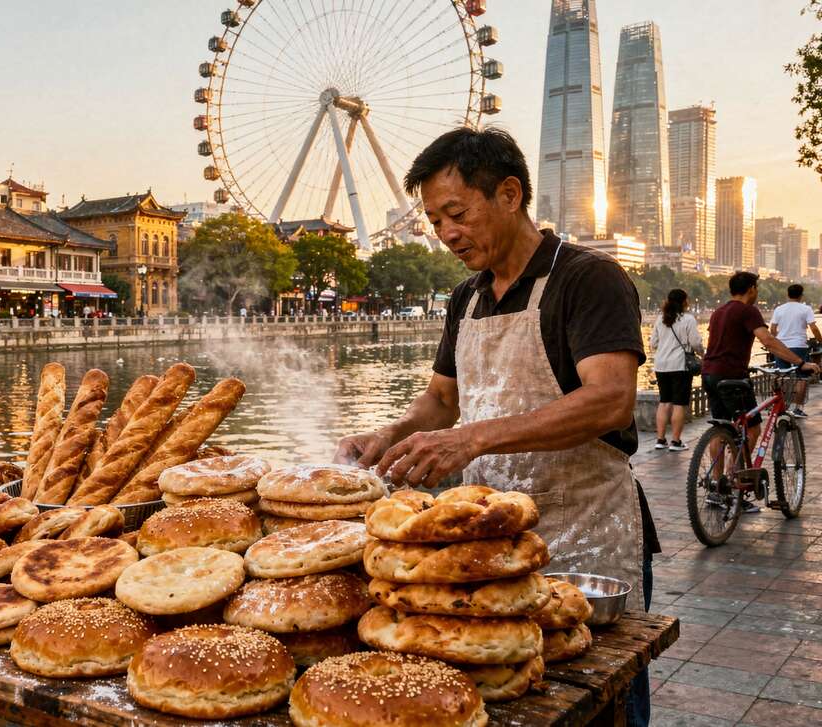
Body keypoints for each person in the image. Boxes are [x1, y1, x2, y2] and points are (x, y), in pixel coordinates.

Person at [332, 127, 658, 726]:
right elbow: (441, 400)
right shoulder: (467, 298)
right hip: (486, 542)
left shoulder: (587, 278)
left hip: (584, 533)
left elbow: (610, 400)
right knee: (510, 697)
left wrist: (473, 438)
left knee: (601, 701)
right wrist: (388, 435)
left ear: (509, 194)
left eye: (457, 214)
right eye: (435, 221)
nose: (447, 233)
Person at [702, 272, 819, 511]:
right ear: (751, 289)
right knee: (752, 428)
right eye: (756, 288)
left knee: (721, 428)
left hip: (709, 374)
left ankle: (716, 488)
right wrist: (800, 362)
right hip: (732, 377)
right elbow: (768, 340)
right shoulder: (748, 311)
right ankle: (735, 483)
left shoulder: (719, 312)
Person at [648, 289, 703, 451]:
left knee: (665, 401)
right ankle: (676, 442)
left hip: (661, 365)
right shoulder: (688, 319)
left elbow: (653, 344)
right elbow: (695, 343)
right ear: (684, 301)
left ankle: (660, 440)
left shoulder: (660, 319)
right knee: (679, 403)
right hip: (680, 366)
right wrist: (703, 354)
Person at [770, 284, 820, 416]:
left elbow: (772, 329)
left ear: (787, 294)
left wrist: (780, 340)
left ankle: (783, 407)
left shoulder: (779, 309)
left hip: (782, 347)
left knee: (782, 375)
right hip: (799, 346)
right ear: (801, 295)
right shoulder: (806, 309)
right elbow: (814, 328)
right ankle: (798, 409)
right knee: (801, 377)